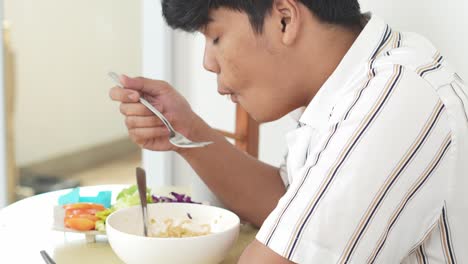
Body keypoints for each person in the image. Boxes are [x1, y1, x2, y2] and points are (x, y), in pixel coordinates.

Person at [109, 0, 468, 263]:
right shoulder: (356, 81)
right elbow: (288, 208)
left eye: (215, 37)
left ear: (284, 18)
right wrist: (185, 133)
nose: (207, 62)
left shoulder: (397, 96)